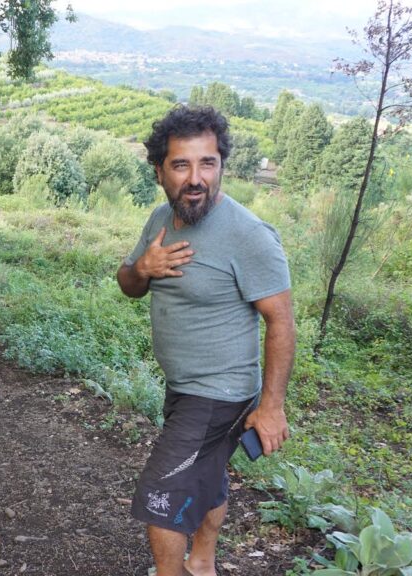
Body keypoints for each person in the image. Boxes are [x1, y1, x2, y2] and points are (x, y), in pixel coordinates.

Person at [117, 105, 296, 576]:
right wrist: (143, 269)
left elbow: (281, 321)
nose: (196, 178)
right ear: (159, 172)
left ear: (221, 166)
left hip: (219, 393)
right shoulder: (161, 219)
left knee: (162, 492)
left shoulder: (248, 234)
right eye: (181, 165)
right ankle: (203, 562)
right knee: (208, 474)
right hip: (184, 385)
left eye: (207, 163)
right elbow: (129, 284)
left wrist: (272, 406)